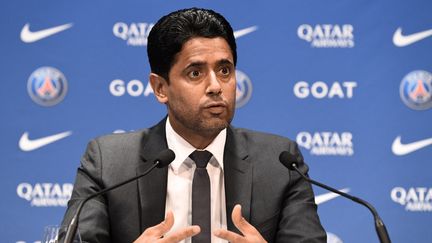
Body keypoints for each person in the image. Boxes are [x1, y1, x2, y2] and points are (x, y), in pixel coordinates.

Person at [61, 7, 326, 243]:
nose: (215, 87)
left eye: (225, 71)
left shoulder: (280, 164)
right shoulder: (109, 164)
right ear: (160, 88)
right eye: (195, 73)